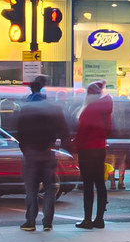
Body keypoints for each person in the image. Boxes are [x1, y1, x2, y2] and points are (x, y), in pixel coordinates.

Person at [11, 81, 69, 232]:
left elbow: (19, 133)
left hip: (31, 153)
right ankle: (48, 222)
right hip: (47, 152)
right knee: (49, 188)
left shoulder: (26, 109)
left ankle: (30, 221)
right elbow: (64, 132)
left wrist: (26, 150)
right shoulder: (54, 109)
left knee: (31, 189)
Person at [73, 82, 117, 229]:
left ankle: (87, 219)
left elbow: (82, 133)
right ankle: (99, 219)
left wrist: (73, 146)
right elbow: (109, 131)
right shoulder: (106, 110)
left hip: (87, 150)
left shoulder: (90, 110)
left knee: (88, 185)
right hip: (100, 149)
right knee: (100, 183)